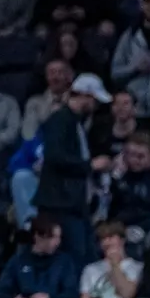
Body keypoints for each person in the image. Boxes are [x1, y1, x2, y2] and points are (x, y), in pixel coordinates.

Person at [36, 74, 110, 265]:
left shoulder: (75, 123)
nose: (96, 106)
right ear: (85, 96)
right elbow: (54, 157)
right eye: (94, 100)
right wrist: (90, 165)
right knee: (75, 256)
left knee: (87, 255)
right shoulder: (59, 121)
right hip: (60, 204)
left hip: (74, 204)